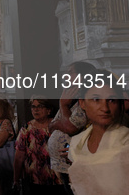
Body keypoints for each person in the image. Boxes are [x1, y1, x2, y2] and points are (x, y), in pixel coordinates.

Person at [68, 69, 129, 194]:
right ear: (82, 103)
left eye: (111, 100)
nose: (104, 108)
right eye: (96, 99)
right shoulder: (78, 143)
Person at [47, 61, 95, 194]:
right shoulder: (69, 97)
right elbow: (51, 126)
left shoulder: (86, 99)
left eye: (69, 73)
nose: (65, 77)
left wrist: (63, 106)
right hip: (63, 166)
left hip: (77, 164)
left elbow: (71, 127)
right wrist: (58, 123)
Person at [13, 96, 64, 195]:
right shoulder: (26, 129)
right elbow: (19, 157)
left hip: (57, 179)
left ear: (48, 110)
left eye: (40, 106)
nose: (36, 109)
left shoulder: (57, 126)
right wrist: (16, 179)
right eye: (33, 106)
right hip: (34, 181)